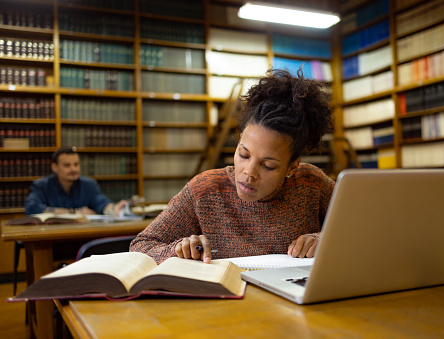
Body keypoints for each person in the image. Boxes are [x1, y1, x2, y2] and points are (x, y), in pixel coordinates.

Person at [130, 68, 335, 264]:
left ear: (292, 167)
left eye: (268, 166)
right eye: (244, 154)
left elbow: (363, 227)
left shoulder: (312, 184)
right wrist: (177, 250)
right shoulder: (205, 190)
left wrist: (323, 239)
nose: (249, 172)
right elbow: (140, 246)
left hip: (291, 298)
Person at [25, 146, 127, 216]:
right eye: (67, 165)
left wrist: (114, 208)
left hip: (81, 236)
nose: (73, 169)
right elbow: (32, 208)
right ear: (54, 167)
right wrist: (74, 212)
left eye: (76, 164)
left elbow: (101, 203)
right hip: (50, 238)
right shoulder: (41, 185)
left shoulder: (89, 184)